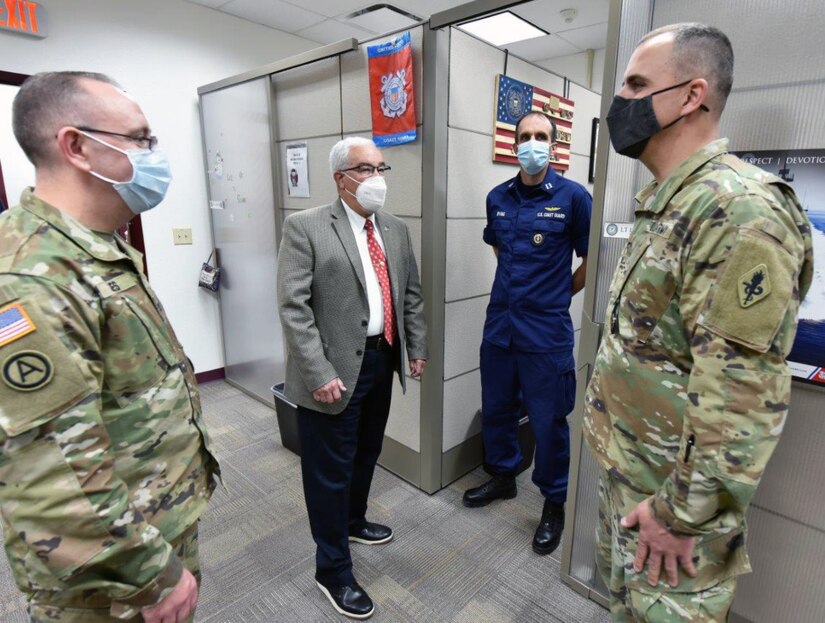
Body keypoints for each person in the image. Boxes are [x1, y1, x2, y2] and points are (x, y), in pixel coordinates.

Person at [583, 23, 813, 621]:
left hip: (674, 513)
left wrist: (678, 515)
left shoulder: (739, 211)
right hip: (633, 479)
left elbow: (740, 399)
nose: (621, 102)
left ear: (692, 95)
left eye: (637, 83)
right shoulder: (670, 201)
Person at [0, 72, 220, 622]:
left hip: (149, 520)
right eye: (141, 138)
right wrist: (150, 575)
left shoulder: (94, 248)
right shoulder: (31, 276)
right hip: (107, 575)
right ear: (76, 146)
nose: (154, 154)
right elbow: (50, 475)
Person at [277, 136, 427, 620]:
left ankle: (355, 520)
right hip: (331, 372)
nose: (377, 178)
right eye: (365, 169)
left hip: (380, 360)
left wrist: (415, 349)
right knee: (328, 469)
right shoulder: (306, 227)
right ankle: (332, 569)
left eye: (381, 167)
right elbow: (293, 308)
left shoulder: (396, 230)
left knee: (367, 451)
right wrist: (317, 371)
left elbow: (410, 296)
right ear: (340, 178)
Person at [463, 111, 592, 556]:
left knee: (548, 420)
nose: (532, 143)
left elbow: (592, 259)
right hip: (501, 325)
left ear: (554, 146)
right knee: (497, 408)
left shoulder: (575, 198)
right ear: (513, 143)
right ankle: (503, 476)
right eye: (524, 136)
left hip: (546, 331)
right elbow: (499, 246)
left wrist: (559, 291)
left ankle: (554, 501)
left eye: (541, 137)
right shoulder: (497, 197)